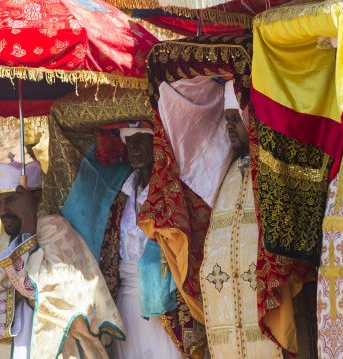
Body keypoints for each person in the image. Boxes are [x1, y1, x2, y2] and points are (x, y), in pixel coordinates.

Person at [0, 160, 125, 359]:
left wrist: (28, 222)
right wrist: (15, 297)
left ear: (36, 197)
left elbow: (31, 286)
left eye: (11, 200)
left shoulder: (57, 232)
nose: (3, 211)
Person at [199, 81, 284, 358]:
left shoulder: (274, 170)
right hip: (230, 308)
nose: (229, 127)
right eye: (227, 120)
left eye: (236, 119)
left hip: (265, 304)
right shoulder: (228, 172)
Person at [111, 127, 182, 359]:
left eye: (139, 140)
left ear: (156, 143)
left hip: (160, 301)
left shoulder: (170, 190)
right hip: (126, 303)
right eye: (129, 141)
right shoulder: (122, 193)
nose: (132, 147)